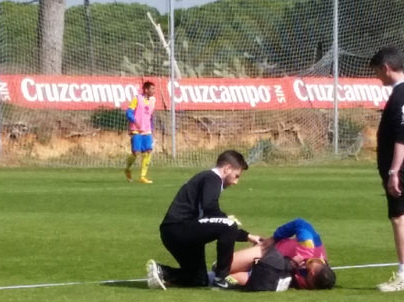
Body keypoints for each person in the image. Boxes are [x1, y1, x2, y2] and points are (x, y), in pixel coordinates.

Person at [145, 150, 261, 290]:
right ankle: (221, 278)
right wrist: (227, 221)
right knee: (229, 225)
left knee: (199, 279)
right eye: (236, 176)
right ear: (227, 168)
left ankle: (163, 272)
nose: (236, 182)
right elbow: (210, 208)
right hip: (179, 228)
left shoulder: (207, 179)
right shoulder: (212, 178)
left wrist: (247, 236)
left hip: (176, 231)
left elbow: (212, 219)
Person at [369, 46, 404, 292]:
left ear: (386, 68)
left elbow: (403, 136)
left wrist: (394, 171)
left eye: (378, 73)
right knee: (398, 217)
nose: (378, 78)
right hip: (401, 166)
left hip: (400, 168)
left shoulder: (403, 93)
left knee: (400, 217)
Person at [226, 218, 336, 290]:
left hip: (274, 272)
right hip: (267, 252)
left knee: (243, 280)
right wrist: (275, 238)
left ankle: (218, 280)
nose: (306, 286)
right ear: (311, 274)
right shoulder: (310, 244)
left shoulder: (318, 275)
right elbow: (300, 223)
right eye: (309, 284)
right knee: (222, 267)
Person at [124, 81, 156, 184]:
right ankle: (127, 169)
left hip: (147, 130)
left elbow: (150, 116)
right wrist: (135, 121)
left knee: (148, 151)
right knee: (136, 152)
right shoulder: (137, 98)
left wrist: (151, 128)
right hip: (136, 129)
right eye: (152, 89)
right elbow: (129, 112)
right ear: (146, 90)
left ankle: (143, 176)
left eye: (154, 89)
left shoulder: (152, 100)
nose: (153, 91)